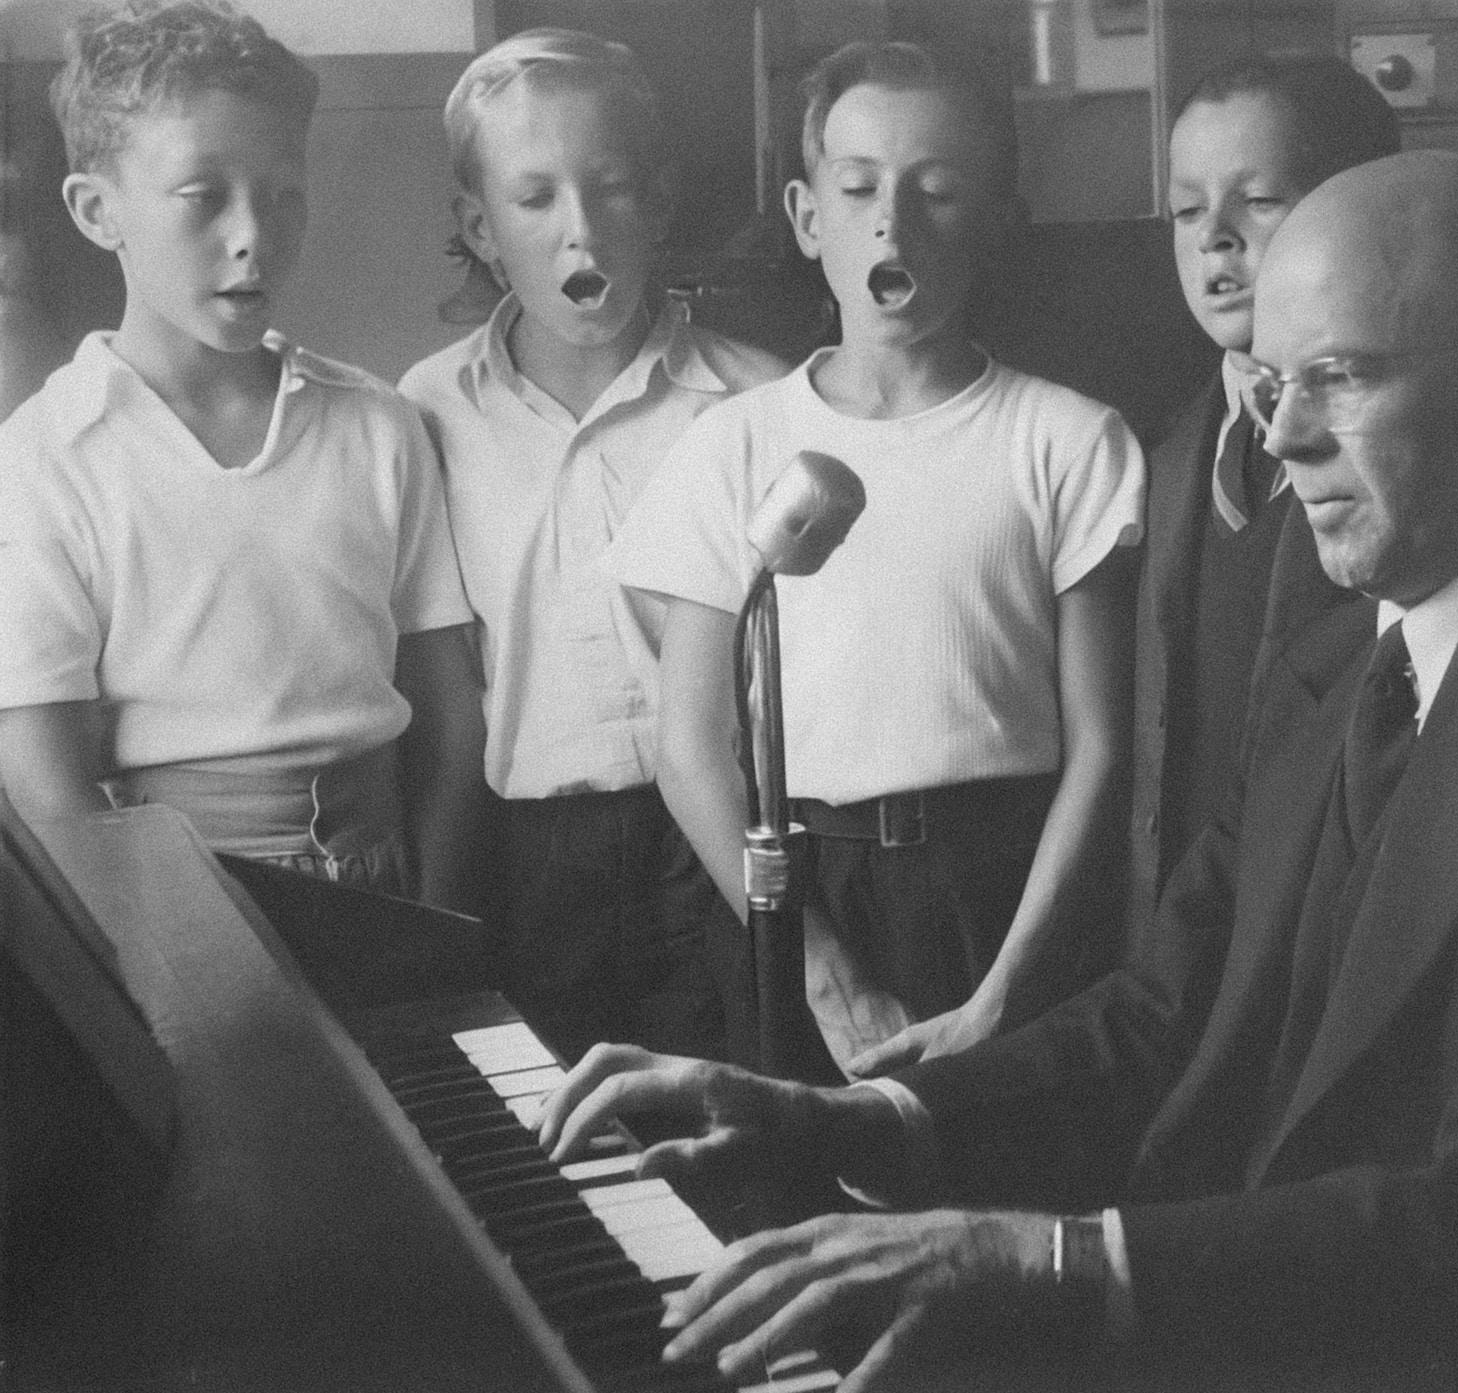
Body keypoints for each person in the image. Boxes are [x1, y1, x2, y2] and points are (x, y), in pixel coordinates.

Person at [539, 150, 1458, 1389]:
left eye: (1343, 377)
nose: (1282, 435)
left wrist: (1053, 1261)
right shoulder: (1329, 660)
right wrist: (858, 1116)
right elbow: (1163, 1013)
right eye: (1268, 381)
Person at [607, 41, 1143, 1077]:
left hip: (1001, 885)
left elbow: (1104, 751)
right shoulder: (735, 443)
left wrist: (1005, 994)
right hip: (798, 892)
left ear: (994, 218)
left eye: (937, 190)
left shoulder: (1070, 440)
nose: (893, 222)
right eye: (859, 189)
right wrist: (820, 971)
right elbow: (691, 750)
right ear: (810, 219)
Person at [0, 0, 483, 906]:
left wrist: (435, 926)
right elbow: (45, 782)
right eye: (203, 195)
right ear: (97, 210)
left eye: (283, 191)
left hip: (393, 883)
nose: (253, 233)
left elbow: (452, 727)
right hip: (178, 903)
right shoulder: (44, 461)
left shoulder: (376, 425)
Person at [397, 30, 785, 1062]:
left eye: (611, 188)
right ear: (481, 227)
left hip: (720, 836)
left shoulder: (753, 402)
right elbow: (440, 686)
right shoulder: (425, 413)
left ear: (656, 202)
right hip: (530, 863)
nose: (582, 233)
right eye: (535, 200)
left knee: (735, 1120)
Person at [1130, 57, 1398, 935]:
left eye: (1261, 200)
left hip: (1333, 918)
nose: (1214, 238)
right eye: (1186, 208)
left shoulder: (1404, 469)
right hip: (1189, 937)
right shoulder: (1170, 457)